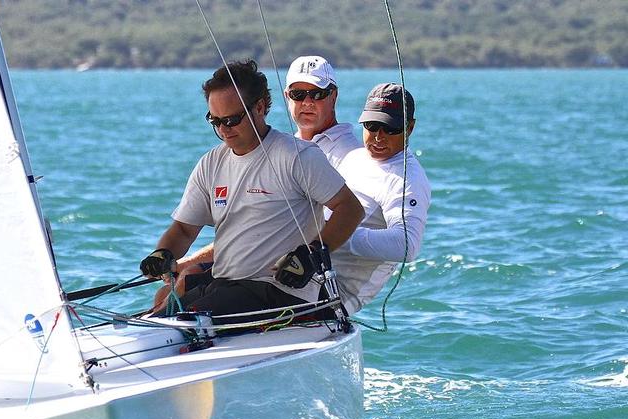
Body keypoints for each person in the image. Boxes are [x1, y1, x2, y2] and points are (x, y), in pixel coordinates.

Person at [140, 59, 363, 321]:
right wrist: (163, 253)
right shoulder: (211, 163)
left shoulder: (297, 156)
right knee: (158, 314)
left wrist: (312, 254)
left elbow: (350, 208)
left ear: (260, 107)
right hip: (227, 285)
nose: (224, 129)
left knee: (178, 323)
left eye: (232, 120)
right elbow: (184, 230)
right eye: (216, 121)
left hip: (279, 292)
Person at [330, 83, 431, 313]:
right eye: (372, 126)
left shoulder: (408, 179)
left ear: (410, 128)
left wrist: (332, 237)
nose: (378, 137)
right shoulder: (354, 158)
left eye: (390, 128)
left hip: (335, 297)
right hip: (305, 272)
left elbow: (407, 245)